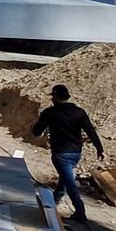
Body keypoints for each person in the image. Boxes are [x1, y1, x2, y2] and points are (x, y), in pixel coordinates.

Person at [32, 83, 106, 223]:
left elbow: (36, 131)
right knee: (66, 178)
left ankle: (80, 211)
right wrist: (100, 149)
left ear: (55, 97)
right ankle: (55, 200)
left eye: (53, 96)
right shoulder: (79, 112)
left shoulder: (50, 113)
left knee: (70, 182)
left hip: (60, 154)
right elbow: (91, 131)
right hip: (76, 153)